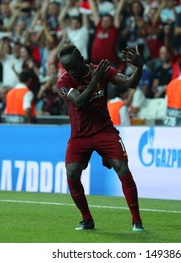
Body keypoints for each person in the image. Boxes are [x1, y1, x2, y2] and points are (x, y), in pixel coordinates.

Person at [56, 45, 144, 231]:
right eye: (67, 68)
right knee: (71, 173)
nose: (70, 71)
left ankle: (137, 221)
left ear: (81, 58)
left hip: (104, 130)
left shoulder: (102, 70)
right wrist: (95, 79)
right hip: (79, 135)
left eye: (72, 66)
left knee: (122, 168)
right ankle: (87, 219)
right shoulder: (64, 82)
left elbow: (129, 83)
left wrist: (140, 67)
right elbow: (79, 102)